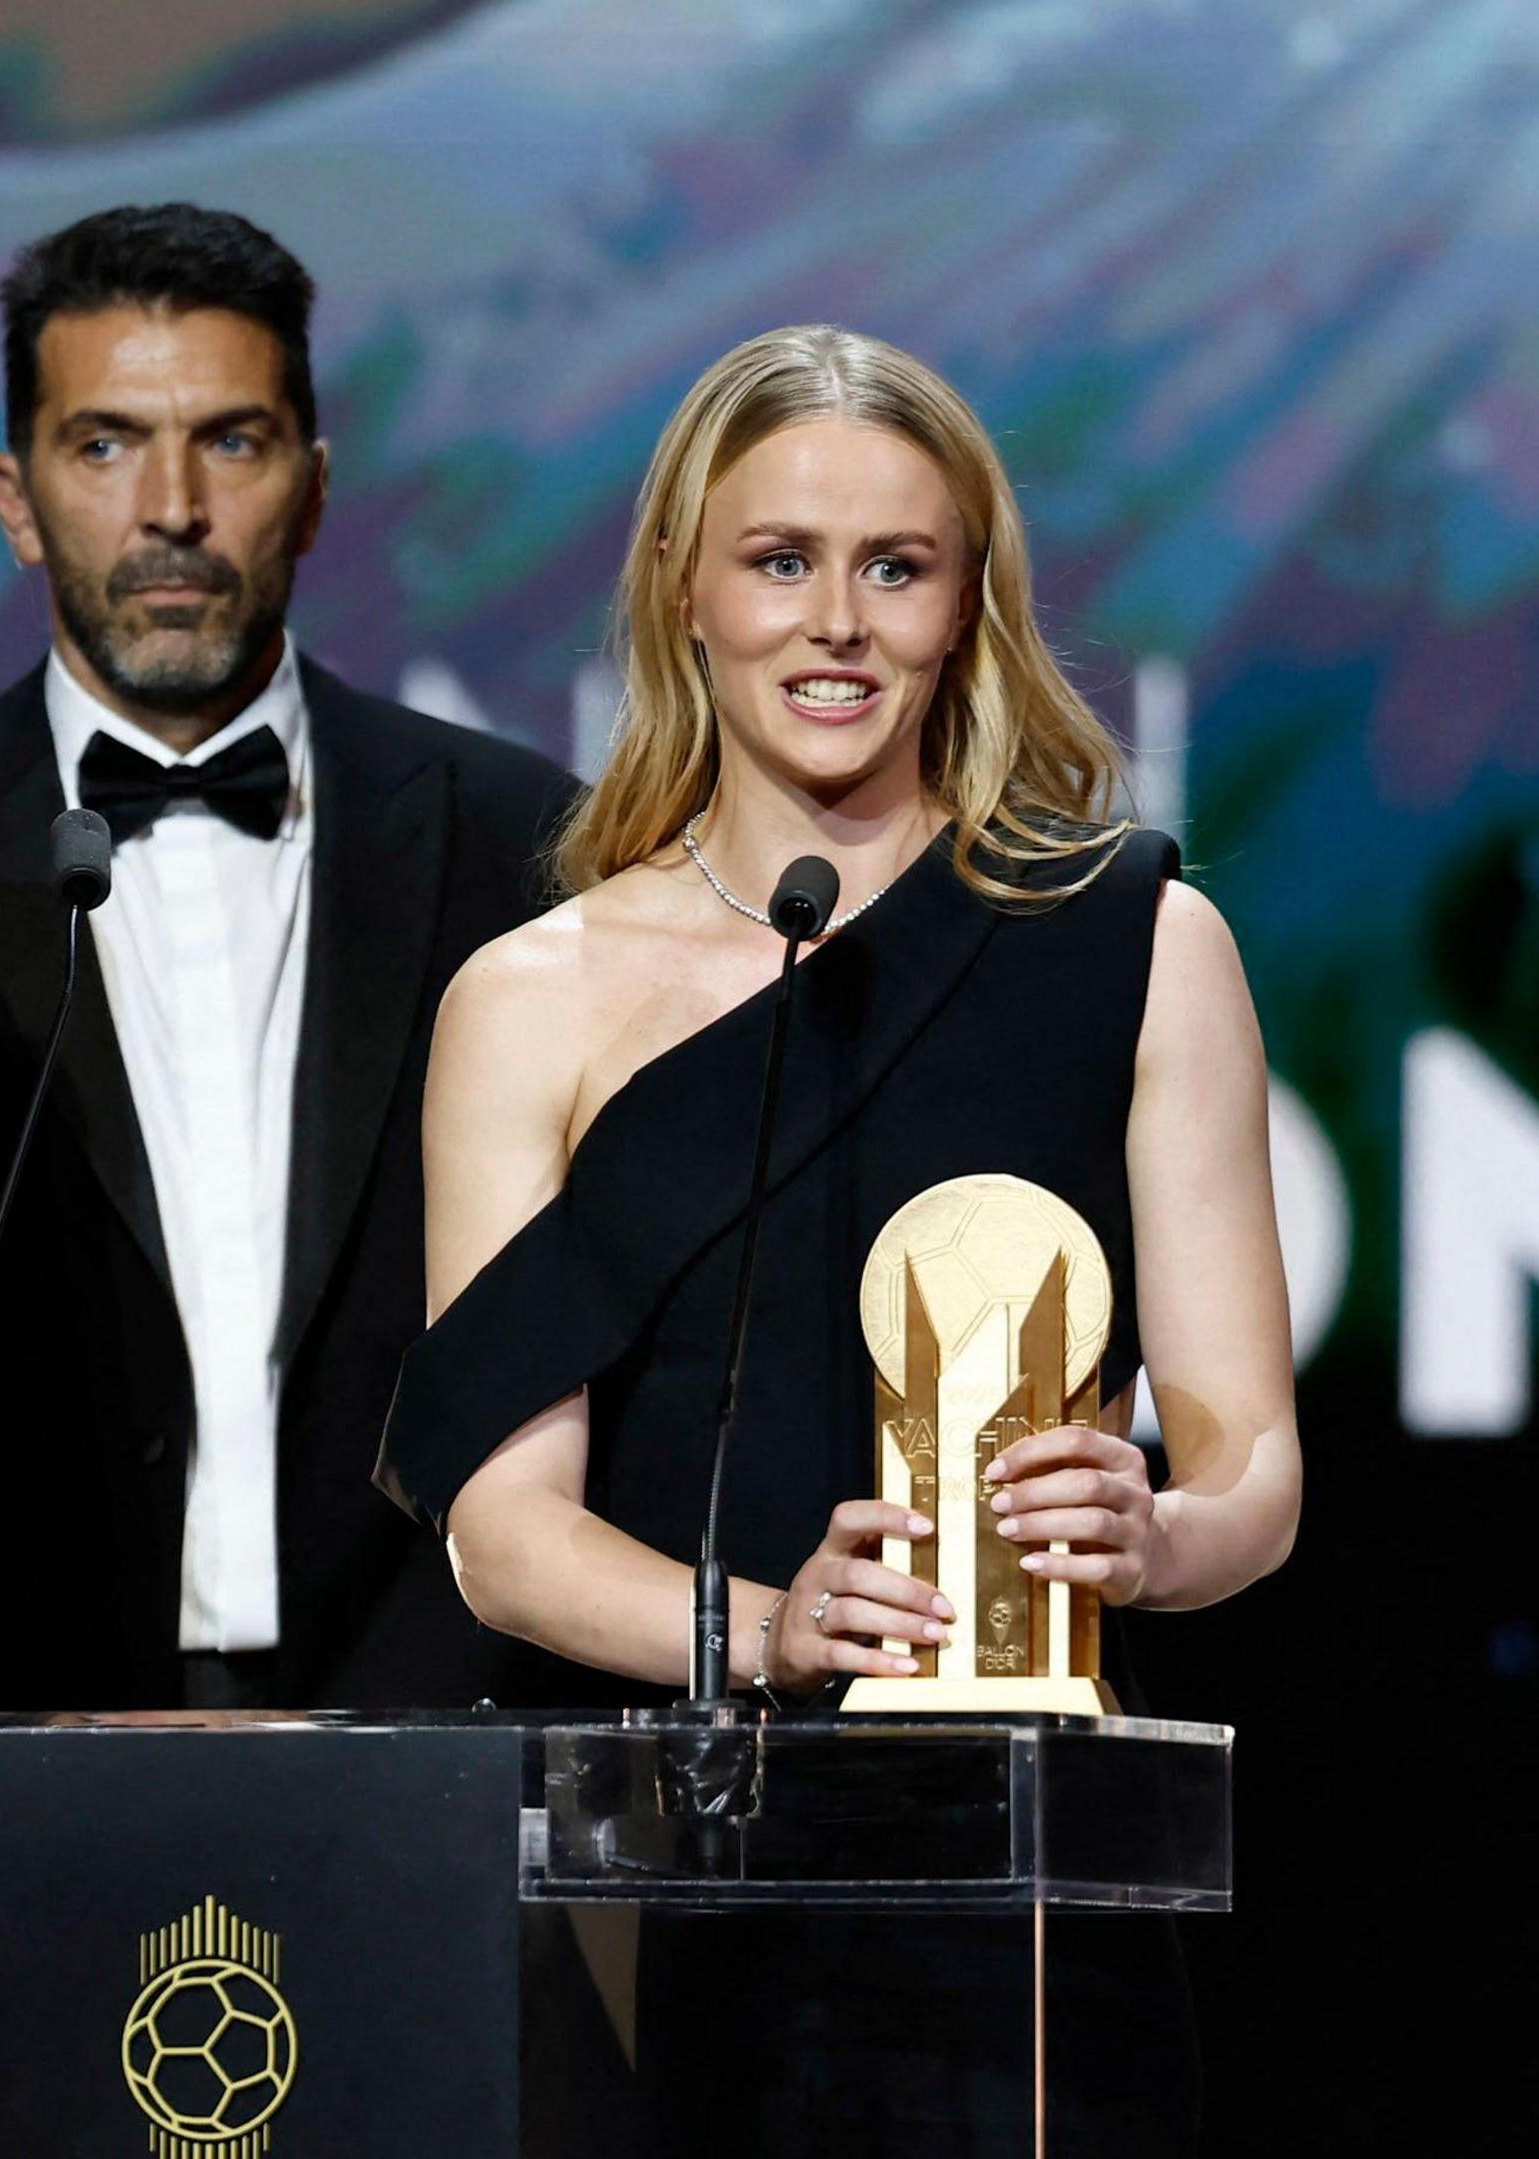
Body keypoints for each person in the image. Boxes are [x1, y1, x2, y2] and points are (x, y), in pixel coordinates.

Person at [379, 325, 1304, 2150]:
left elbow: (1252, 1460)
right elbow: (502, 1532)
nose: (839, 626)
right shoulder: (532, 998)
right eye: (781, 562)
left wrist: (1164, 1529)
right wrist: (767, 1631)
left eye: (898, 569)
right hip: (687, 1878)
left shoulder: (1136, 938)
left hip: (1033, 1878)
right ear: (682, 588)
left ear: (968, 604)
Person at [0, 205, 579, 1712]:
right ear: (14, 498)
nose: (171, 507)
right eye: (103, 445)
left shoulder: (521, 841)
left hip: (437, 1718)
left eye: (233, 441)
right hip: (2, 1719)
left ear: (316, 488)